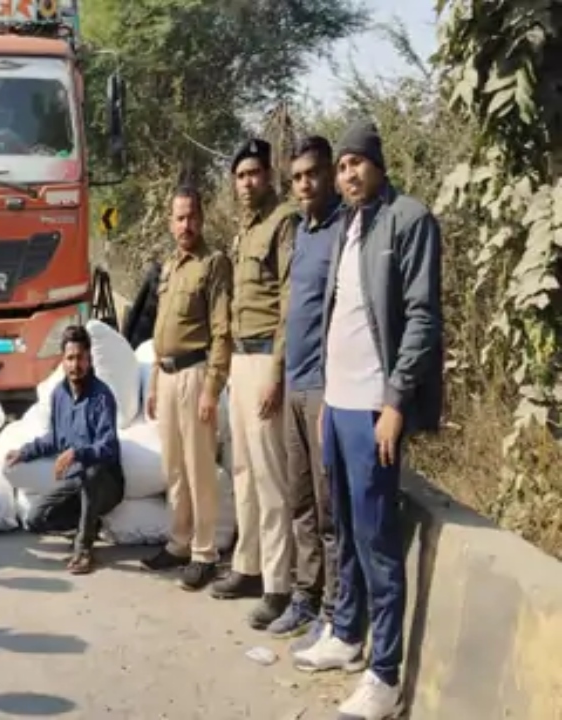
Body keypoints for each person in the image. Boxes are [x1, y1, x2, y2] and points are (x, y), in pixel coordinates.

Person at [293, 120, 443, 720]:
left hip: (376, 409)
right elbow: (341, 315)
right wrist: (329, 393)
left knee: (378, 539)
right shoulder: (350, 225)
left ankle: (384, 675)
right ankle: (346, 636)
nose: (350, 173)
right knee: (346, 531)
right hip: (339, 402)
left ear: (377, 164)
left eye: (359, 163)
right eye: (344, 165)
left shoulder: (409, 219)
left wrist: (396, 403)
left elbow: (422, 318)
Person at [217, 138, 300, 631]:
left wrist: (276, 369)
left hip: (267, 357)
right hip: (240, 362)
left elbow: (288, 298)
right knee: (243, 470)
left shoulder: (283, 221)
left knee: (270, 476)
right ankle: (247, 566)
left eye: (255, 174)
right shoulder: (245, 229)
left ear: (270, 176)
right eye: (241, 175)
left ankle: (279, 583)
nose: (248, 183)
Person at [267, 136, 344, 643]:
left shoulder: (345, 231)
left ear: (331, 174)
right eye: (296, 178)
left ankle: (335, 610)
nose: (304, 185)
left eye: (312, 174)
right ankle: (304, 596)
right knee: (299, 499)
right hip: (294, 381)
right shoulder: (303, 233)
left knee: (328, 506)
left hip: (324, 387)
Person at [138, 187, 232, 591]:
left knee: (199, 469)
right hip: (168, 374)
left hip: (196, 376)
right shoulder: (170, 267)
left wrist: (212, 388)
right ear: (170, 221)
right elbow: (162, 334)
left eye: (191, 217)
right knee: (174, 469)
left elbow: (223, 331)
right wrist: (155, 382)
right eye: (179, 218)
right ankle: (178, 543)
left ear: (202, 218)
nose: (185, 225)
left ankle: (204, 553)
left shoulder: (213, 264)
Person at [6, 325, 125, 575]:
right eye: (70, 358)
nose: (75, 365)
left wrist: (77, 453)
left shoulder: (102, 396)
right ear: (63, 360)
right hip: (74, 481)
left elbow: (109, 445)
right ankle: (89, 524)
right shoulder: (59, 394)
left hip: (105, 483)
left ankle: (83, 549)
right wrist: (25, 452)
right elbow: (55, 437)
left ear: (89, 359)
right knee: (36, 519)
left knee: (92, 473)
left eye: (80, 358)